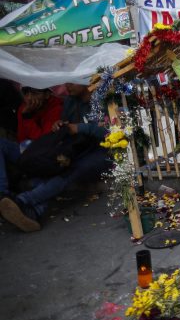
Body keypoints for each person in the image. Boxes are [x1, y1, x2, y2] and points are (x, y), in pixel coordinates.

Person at [0, 83, 110, 232]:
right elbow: (32, 139)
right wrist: (56, 124)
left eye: (71, 81)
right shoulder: (70, 101)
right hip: (71, 148)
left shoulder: (101, 99)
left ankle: (21, 202)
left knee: (70, 169)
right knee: (54, 164)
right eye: (26, 93)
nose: (67, 86)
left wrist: (78, 128)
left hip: (101, 149)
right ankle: (31, 210)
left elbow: (109, 132)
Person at [0, 86, 64, 209]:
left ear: (47, 94)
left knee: (45, 183)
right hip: (27, 151)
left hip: (46, 155)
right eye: (26, 93)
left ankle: (29, 206)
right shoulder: (24, 108)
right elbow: (21, 138)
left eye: (34, 93)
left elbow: (43, 142)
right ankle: (2, 194)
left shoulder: (56, 108)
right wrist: (26, 115)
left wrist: (28, 117)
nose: (29, 98)